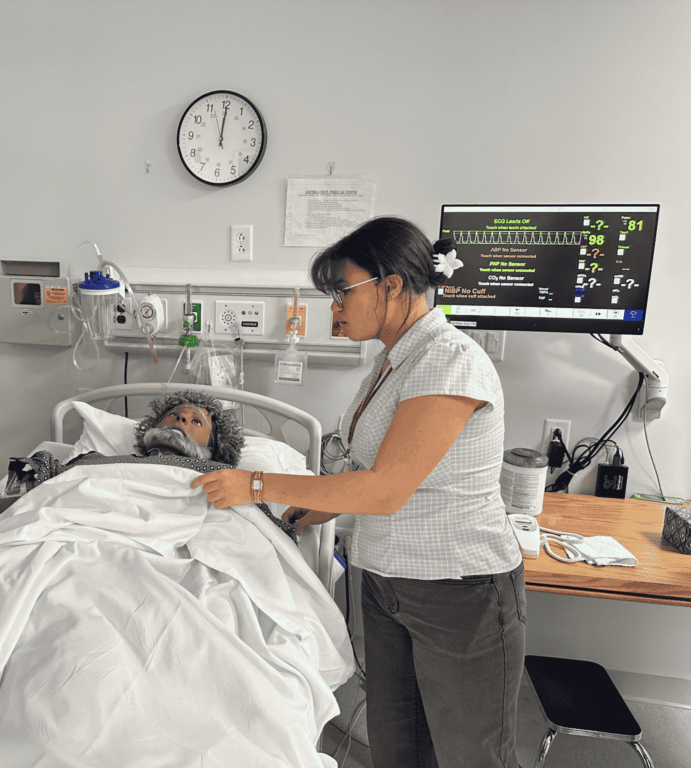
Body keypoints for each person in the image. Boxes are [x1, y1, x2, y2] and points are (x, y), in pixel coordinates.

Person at [191, 216, 525, 768]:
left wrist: (253, 485)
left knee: (473, 754)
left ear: (390, 285)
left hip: (458, 590)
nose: (334, 310)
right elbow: (367, 467)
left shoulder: (450, 360)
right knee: (399, 747)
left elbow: (387, 488)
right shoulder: (393, 362)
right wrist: (308, 511)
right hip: (387, 583)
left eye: (341, 293)